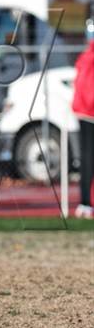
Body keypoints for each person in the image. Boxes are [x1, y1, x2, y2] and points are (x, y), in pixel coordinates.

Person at [72, 19, 94, 219]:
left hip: (83, 112)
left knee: (87, 159)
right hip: (89, 113)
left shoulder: (86, 56)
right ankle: (85, 203)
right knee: (88, 159)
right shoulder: (89, 56)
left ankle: (85, 203)